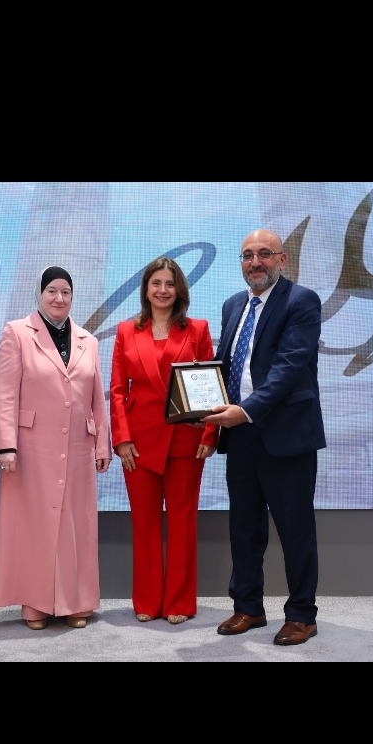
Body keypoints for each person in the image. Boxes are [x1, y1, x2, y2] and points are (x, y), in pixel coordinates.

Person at [205, 229, 325, 644]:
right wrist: (202, 407)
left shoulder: (301, 301)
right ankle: (248, 607)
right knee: (244, 526)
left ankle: (302, 615)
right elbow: (226, 366)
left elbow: (288, 368)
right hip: (240, 435)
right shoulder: (232, 305)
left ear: (282, 259)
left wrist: (245, 410)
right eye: (247, 255)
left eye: (264, 254)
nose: (255, 262)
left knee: (295, 530)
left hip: (286, 435)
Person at [0, 268, 111, 628]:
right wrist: (5, 445)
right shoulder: (16, 332)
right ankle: (35, 603)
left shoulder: (88, 340)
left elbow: (97, 398)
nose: (59, 298)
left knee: (75, 525)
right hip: (30, 448)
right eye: (52, 291)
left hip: (78, 447)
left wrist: (102, 443)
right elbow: (4, 393)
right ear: (39, 294)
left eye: (66, 292)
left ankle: (76, 602)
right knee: (34, 525)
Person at [110, 257, 218, 623]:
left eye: (170, 284)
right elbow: (117, 391)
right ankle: (147, 601)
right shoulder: (126, 331)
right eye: (156, 283)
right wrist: (121, 439)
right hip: (138, 443)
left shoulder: (198, 329)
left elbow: (209, 387)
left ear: (180, 290)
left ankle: (179, 603)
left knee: (183, 523)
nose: (162, 290)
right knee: (144, 524)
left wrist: (210, 433)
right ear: (145, 289)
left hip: (185, 440)